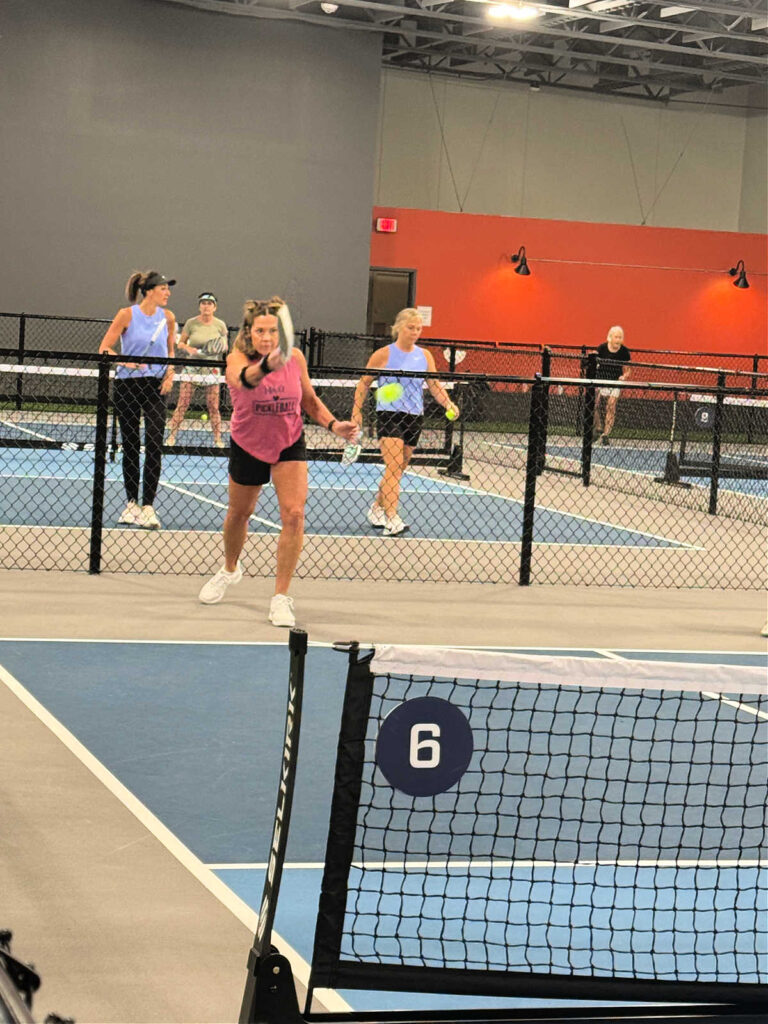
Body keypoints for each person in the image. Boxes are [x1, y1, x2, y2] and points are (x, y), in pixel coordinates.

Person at [198, 297, 358, 627]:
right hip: (248, 443)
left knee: (295, 513)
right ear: (249, 332)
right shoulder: (236, 357)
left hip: (288, 442)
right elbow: (244, 380)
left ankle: (281, 597)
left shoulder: (295, 357)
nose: (268, 336)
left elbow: (311, 402)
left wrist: (334, 425)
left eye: (273, 330)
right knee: (239, 513)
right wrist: (268, 364)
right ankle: (230, 569)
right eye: (261, 330)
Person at [351, 308, 459, 536]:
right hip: (389, 415)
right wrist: (356, 412)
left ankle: (376, 508)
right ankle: (392, 518)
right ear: (399, 327)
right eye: (411, 328)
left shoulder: (425, 356)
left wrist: (448, 404)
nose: (415, 332)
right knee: (392, 465)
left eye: (419, 328)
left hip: (414, 416)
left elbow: (434, 384)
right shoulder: (383, 354)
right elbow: (363, 383)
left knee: (399, 468)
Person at [98, 270, 177, 529]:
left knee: (154, 444)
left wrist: (169, 375)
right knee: (131, 444)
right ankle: (131, 504)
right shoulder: (127, 315)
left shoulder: (168, 318)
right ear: (150, 290)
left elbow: (171, 351)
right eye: (164, 288)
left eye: (168, 289)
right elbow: (104, 348)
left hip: (156, 387)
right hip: (127, 385)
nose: (168, 293)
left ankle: (148, 507)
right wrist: (126, 361)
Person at [167, 291, 228, 447]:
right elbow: (180, 343)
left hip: (212, 370)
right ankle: (171, 437)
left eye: (209, 304)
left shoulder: (220, 325)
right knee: (183, 403)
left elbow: (224, 346)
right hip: (191, 368)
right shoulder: (191, 323)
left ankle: (218, 439)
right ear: (200, 306)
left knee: (214, 406)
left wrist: (214, 350)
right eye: (203, 303)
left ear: (215, 307)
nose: (206, 306)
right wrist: (189, 349)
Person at [593, 325, 631, 446]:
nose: (618, 340)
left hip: (615, 381)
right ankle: (598, 427)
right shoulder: (602, 348)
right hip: (601, 380)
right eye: (616, 337)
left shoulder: (624, 352)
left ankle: (606, 434)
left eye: (620, 337)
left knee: (611, 405)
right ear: (610, 337)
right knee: (594, 404)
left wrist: (624, 377)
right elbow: (594, 363)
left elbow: (628, 370)